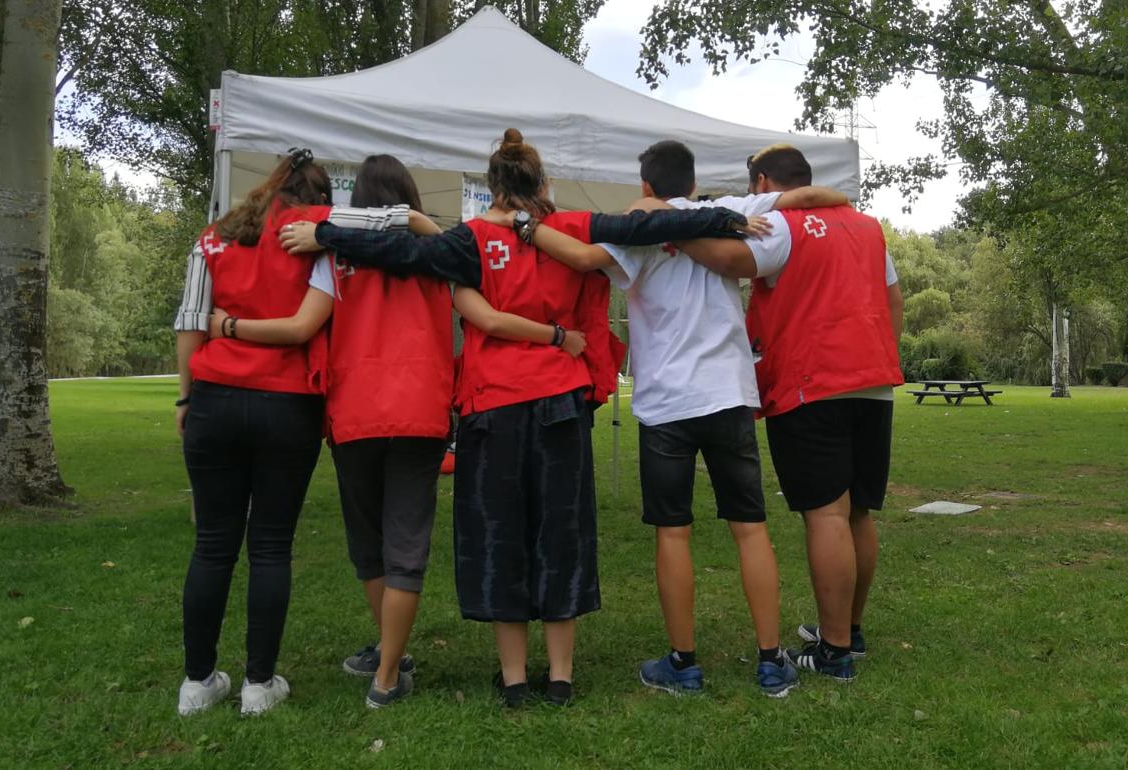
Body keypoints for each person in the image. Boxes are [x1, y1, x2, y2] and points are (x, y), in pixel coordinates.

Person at [278, 128, 754, 707]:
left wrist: (325, 233)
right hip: (560, 404)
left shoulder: (470, 239)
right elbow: (643, 227)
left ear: (491, 186)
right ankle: (560, 676)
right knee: (561, 536)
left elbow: (403, 250)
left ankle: (512, 680)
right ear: (544, 183)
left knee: (501, 536)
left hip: (493, 406)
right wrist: (722, 219)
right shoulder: (572, 228)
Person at [205, 154, 587, 709]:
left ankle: (391, 654)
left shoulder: (335, 256)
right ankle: (386, 675)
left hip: (354, 411)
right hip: (423, 411)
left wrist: (229, 326)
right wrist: (412, 220)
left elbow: (305, 325)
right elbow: (468, 293)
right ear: (409, 197)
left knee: (370, 548)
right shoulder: (440, 257)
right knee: (406, 547)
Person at [479, 139, 849, 699]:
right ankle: (771, 661)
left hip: (665, 403)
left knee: (673, 533)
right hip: (727, 392)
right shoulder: (733, 212)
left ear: (647, 185)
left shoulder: (638, 226)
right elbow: (815, 195)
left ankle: (684, 663)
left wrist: (525, 229)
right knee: (750, 529)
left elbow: (581, 260)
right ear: (694, 183)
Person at [674, 144, 904, 682]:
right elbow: (893, 299)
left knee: (826, 513)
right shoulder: (868, 227)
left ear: (761, 183)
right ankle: (849, 630)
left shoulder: (782, 224)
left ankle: (836, 652)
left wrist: (673, 232)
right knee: (858, 512)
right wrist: (880, 355)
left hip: (810, 383)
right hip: (873, 382)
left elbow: (732, 260)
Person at [171, 148, 335, 716]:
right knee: (271, 547)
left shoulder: (213, 238)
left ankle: (197, 683)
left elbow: (191, 323)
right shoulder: (321, 235)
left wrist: (186, 396)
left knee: (212, 545)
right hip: (288, 406)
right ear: (316, 198)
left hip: (214, 400)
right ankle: (258, 685)